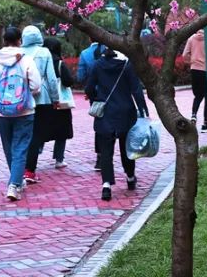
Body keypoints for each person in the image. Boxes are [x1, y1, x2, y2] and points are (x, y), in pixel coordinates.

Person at [85, 47, 149, 201]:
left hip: (105, 113)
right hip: (125, 112)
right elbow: (136, 89)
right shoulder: (126, 65)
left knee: (106, 150)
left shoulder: (97, 65)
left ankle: (106, 185)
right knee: (126, 147)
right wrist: (143, 109)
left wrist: (96, 101)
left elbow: (88, 88)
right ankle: (130, 177)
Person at [0, 26, 41, 201]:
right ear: (19, 40)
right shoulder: (25, 59)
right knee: (20, 147)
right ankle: (14, 184)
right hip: (24, 110)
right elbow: (36, 85)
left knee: (9, 146)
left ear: (4, 40)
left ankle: (16, 179)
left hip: (2, 111)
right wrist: (24, 93)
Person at [22, 25, 63, 185]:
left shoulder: (20, 52)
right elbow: (52, 79)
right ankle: (30, 170)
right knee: (36, 135)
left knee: (23, 134)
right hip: (42, 100)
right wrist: (55, 98)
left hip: (23, 99)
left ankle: (20, 169)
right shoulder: (44, 53)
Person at [40, 36, 75, 168]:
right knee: (62, 131)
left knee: (41, 129)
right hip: (60, 103)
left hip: (43, 100)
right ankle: (59, 159)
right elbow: (68, 81)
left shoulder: (40, 61)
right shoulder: (59, 63)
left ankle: (36, 153)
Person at [77, 38, 104, 171]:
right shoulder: (111, 51)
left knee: (99, 121)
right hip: (113, 93)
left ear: (89, 38)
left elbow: (81, 77)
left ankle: (100, 157)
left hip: (95, 94)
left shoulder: (85, 54)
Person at [182, 30, 207, 131]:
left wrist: (191, 62)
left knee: (197, 95)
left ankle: (194, 114)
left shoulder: (191, 38)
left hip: (194, 69)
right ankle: (205, 123)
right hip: (206, 70)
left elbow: (184, 55)